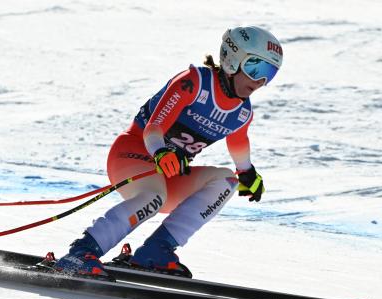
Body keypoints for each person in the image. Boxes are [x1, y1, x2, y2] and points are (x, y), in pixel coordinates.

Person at [52, 26, 283, 278]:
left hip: (167, 173)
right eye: (255, 69)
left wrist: (246, 172)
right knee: (154, 196)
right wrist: (162, 152)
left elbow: (238, 143)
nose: (260, 81)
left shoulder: (242, 112)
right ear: (233, 59)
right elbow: (154, 127)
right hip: (132, 154)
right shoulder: (194, 82)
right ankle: (79, 253)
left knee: (226, 180)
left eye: (269, 74)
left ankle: (156, 251)